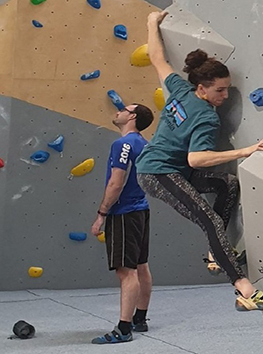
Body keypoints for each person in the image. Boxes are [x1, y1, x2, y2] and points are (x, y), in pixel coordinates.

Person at [136, 10, 263, 315]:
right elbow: (198, 158)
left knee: (227, 184)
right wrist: (245, 151)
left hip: (178, 171)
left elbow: (157, 58)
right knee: (211, 220)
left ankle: (215, 253)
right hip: (157, 172)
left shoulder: (179, 89)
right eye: (220, 90)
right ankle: (245, 289)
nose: (225, 94)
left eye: (227, 88)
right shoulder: (206, 116)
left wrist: (152, 24)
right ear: (202, 88)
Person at [90, 103, 155, 344]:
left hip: (124, 213)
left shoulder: (123, 145)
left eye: (124, 109)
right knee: (141, 265)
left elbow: (116, 183)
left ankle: (124, 329)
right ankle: (140, 318)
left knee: (125, 272)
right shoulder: (144, 144)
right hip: (141, 210)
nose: (118, 111)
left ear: (133, 116)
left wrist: (102, 214)